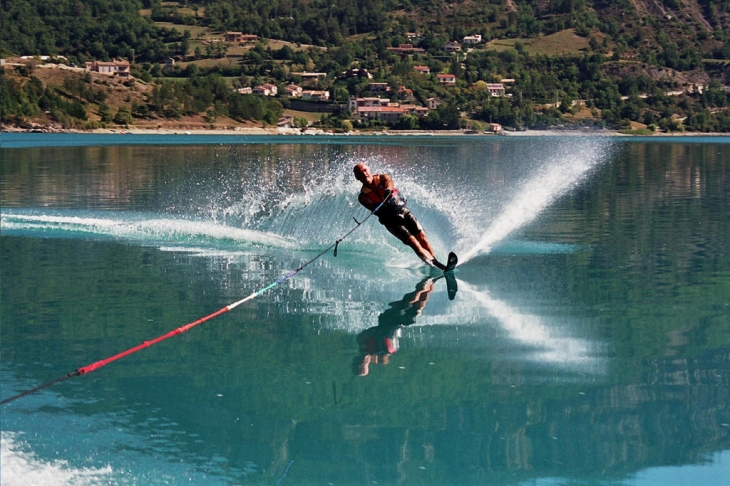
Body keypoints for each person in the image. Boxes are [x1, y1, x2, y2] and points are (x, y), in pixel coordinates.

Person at [353, 163, 446, 270]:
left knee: (423, 239)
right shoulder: (362, 197)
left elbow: (389, 182)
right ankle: (438, 265)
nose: (364, 174)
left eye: (365, 170)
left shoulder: (383, 178)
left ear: (369, 169)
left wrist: (388, 190)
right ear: (357, 177)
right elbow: (370, 206)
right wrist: (376, 206)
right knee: (414, 244)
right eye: (360, 173)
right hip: (392, 223)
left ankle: (434, 262)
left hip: (404, 212)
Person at [354, 277, 436, 376]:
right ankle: (430, 280)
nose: (362, 362)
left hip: (392, 320)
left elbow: (373, 332)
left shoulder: (364, 344)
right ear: (367, 365)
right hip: (397, 323)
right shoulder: (376, 352)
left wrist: (377, 334)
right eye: (363, 365)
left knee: (413, 303)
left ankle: (428, 281)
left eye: (360, 364)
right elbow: (380, 334)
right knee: (417, 304)